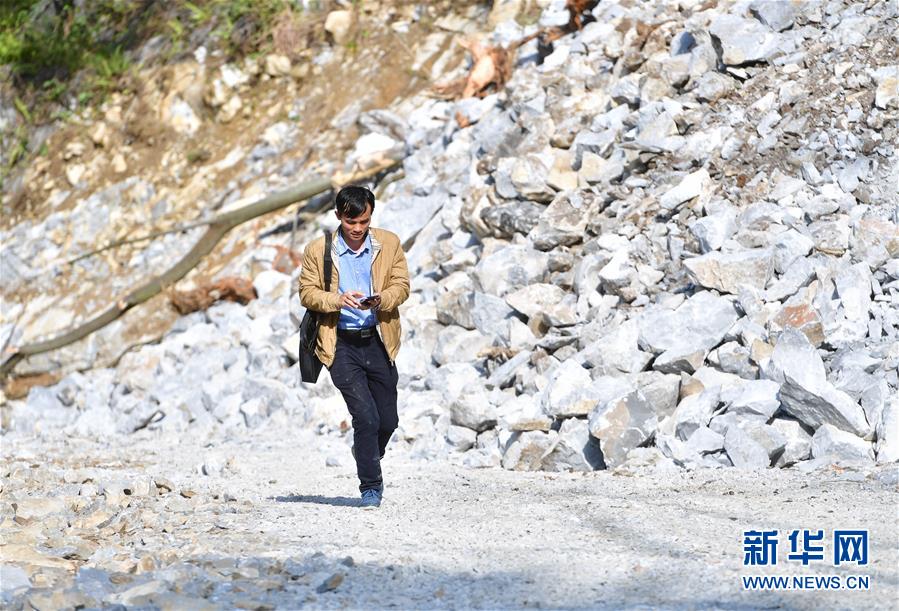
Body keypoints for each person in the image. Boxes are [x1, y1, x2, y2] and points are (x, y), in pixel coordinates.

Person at [298, 185, 410, 509]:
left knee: (388, 421)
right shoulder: (318, 250)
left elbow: (402, 286)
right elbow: (307, 293)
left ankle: (365, 451)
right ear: (338, 216)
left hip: (378, 339)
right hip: (340, 344)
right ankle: (370, 487)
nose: (358, 228)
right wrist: (337, 299)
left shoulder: (389, 243)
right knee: (366, 417)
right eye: (351, 222)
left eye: (364, 221)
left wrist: (382, 299)